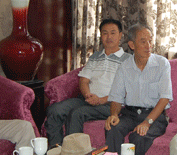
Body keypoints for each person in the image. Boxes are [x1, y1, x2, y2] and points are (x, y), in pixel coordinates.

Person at [44, 18, 130, 147]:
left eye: (113, 33)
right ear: (101, 36)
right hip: (88, 99)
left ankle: (74, 153)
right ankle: (54, 149)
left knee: (77, 113)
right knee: (55, 109)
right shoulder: (95, 57)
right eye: (105, 33)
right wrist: (88, 95)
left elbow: (126, 91)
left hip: (111, 104)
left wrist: (100, 100)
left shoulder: (128, 60)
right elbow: (84, 80)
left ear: (120, 35)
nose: (109, 37)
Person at [104, 23, 173, 155]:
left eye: (150, 41)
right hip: (130, 114)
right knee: (112, 128)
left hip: (154, 117)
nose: (149, 45)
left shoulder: (162, 64)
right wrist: (114, 115)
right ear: (132, 45)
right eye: (143, 41)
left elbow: (165, 98)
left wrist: (147, 122)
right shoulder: (124, 66)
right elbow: (116, 97)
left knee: (139, 137)